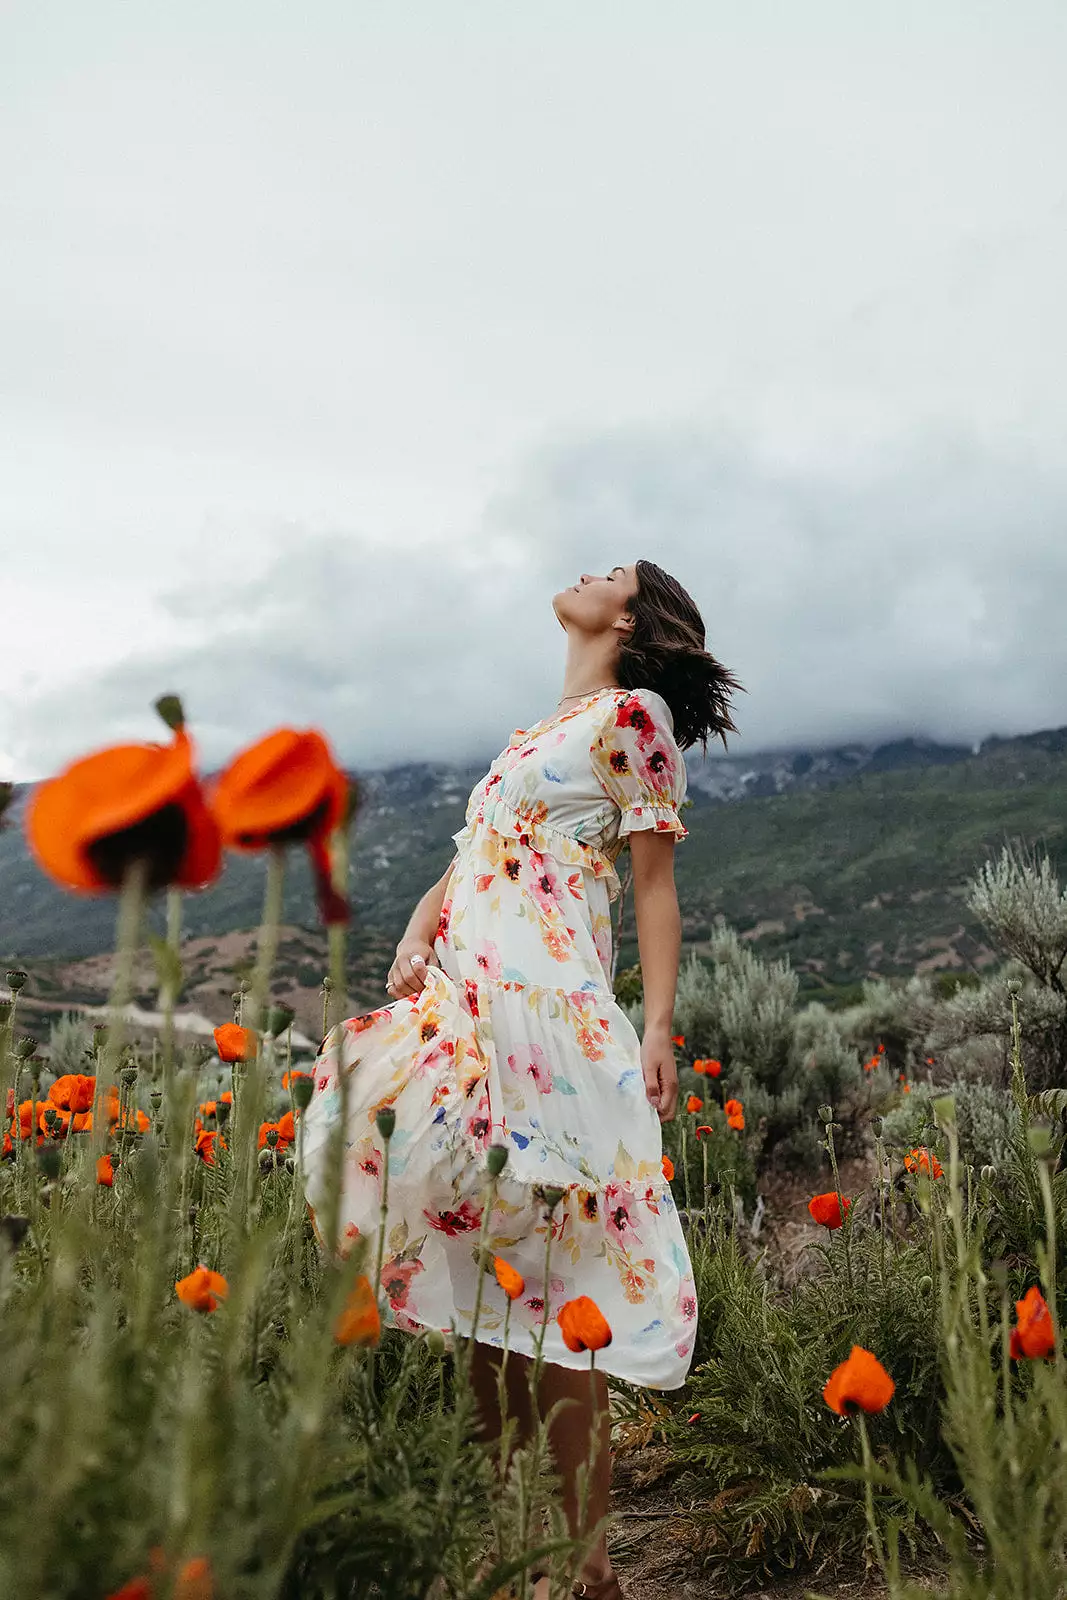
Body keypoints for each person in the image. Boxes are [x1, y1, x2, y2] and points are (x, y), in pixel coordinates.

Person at [301, 560, 741, 1599]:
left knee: (549, 1298)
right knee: (486, 1297)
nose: (583, 572)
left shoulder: (632, 715)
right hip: (468, 1009)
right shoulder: (532, 733)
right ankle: (510, 1545)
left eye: (610, 573)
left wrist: (661, 1023)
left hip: (547, 1022)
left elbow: (652, 882)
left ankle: (587, 1566)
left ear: (627, 618)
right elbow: (476, 850)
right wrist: (417, 930)